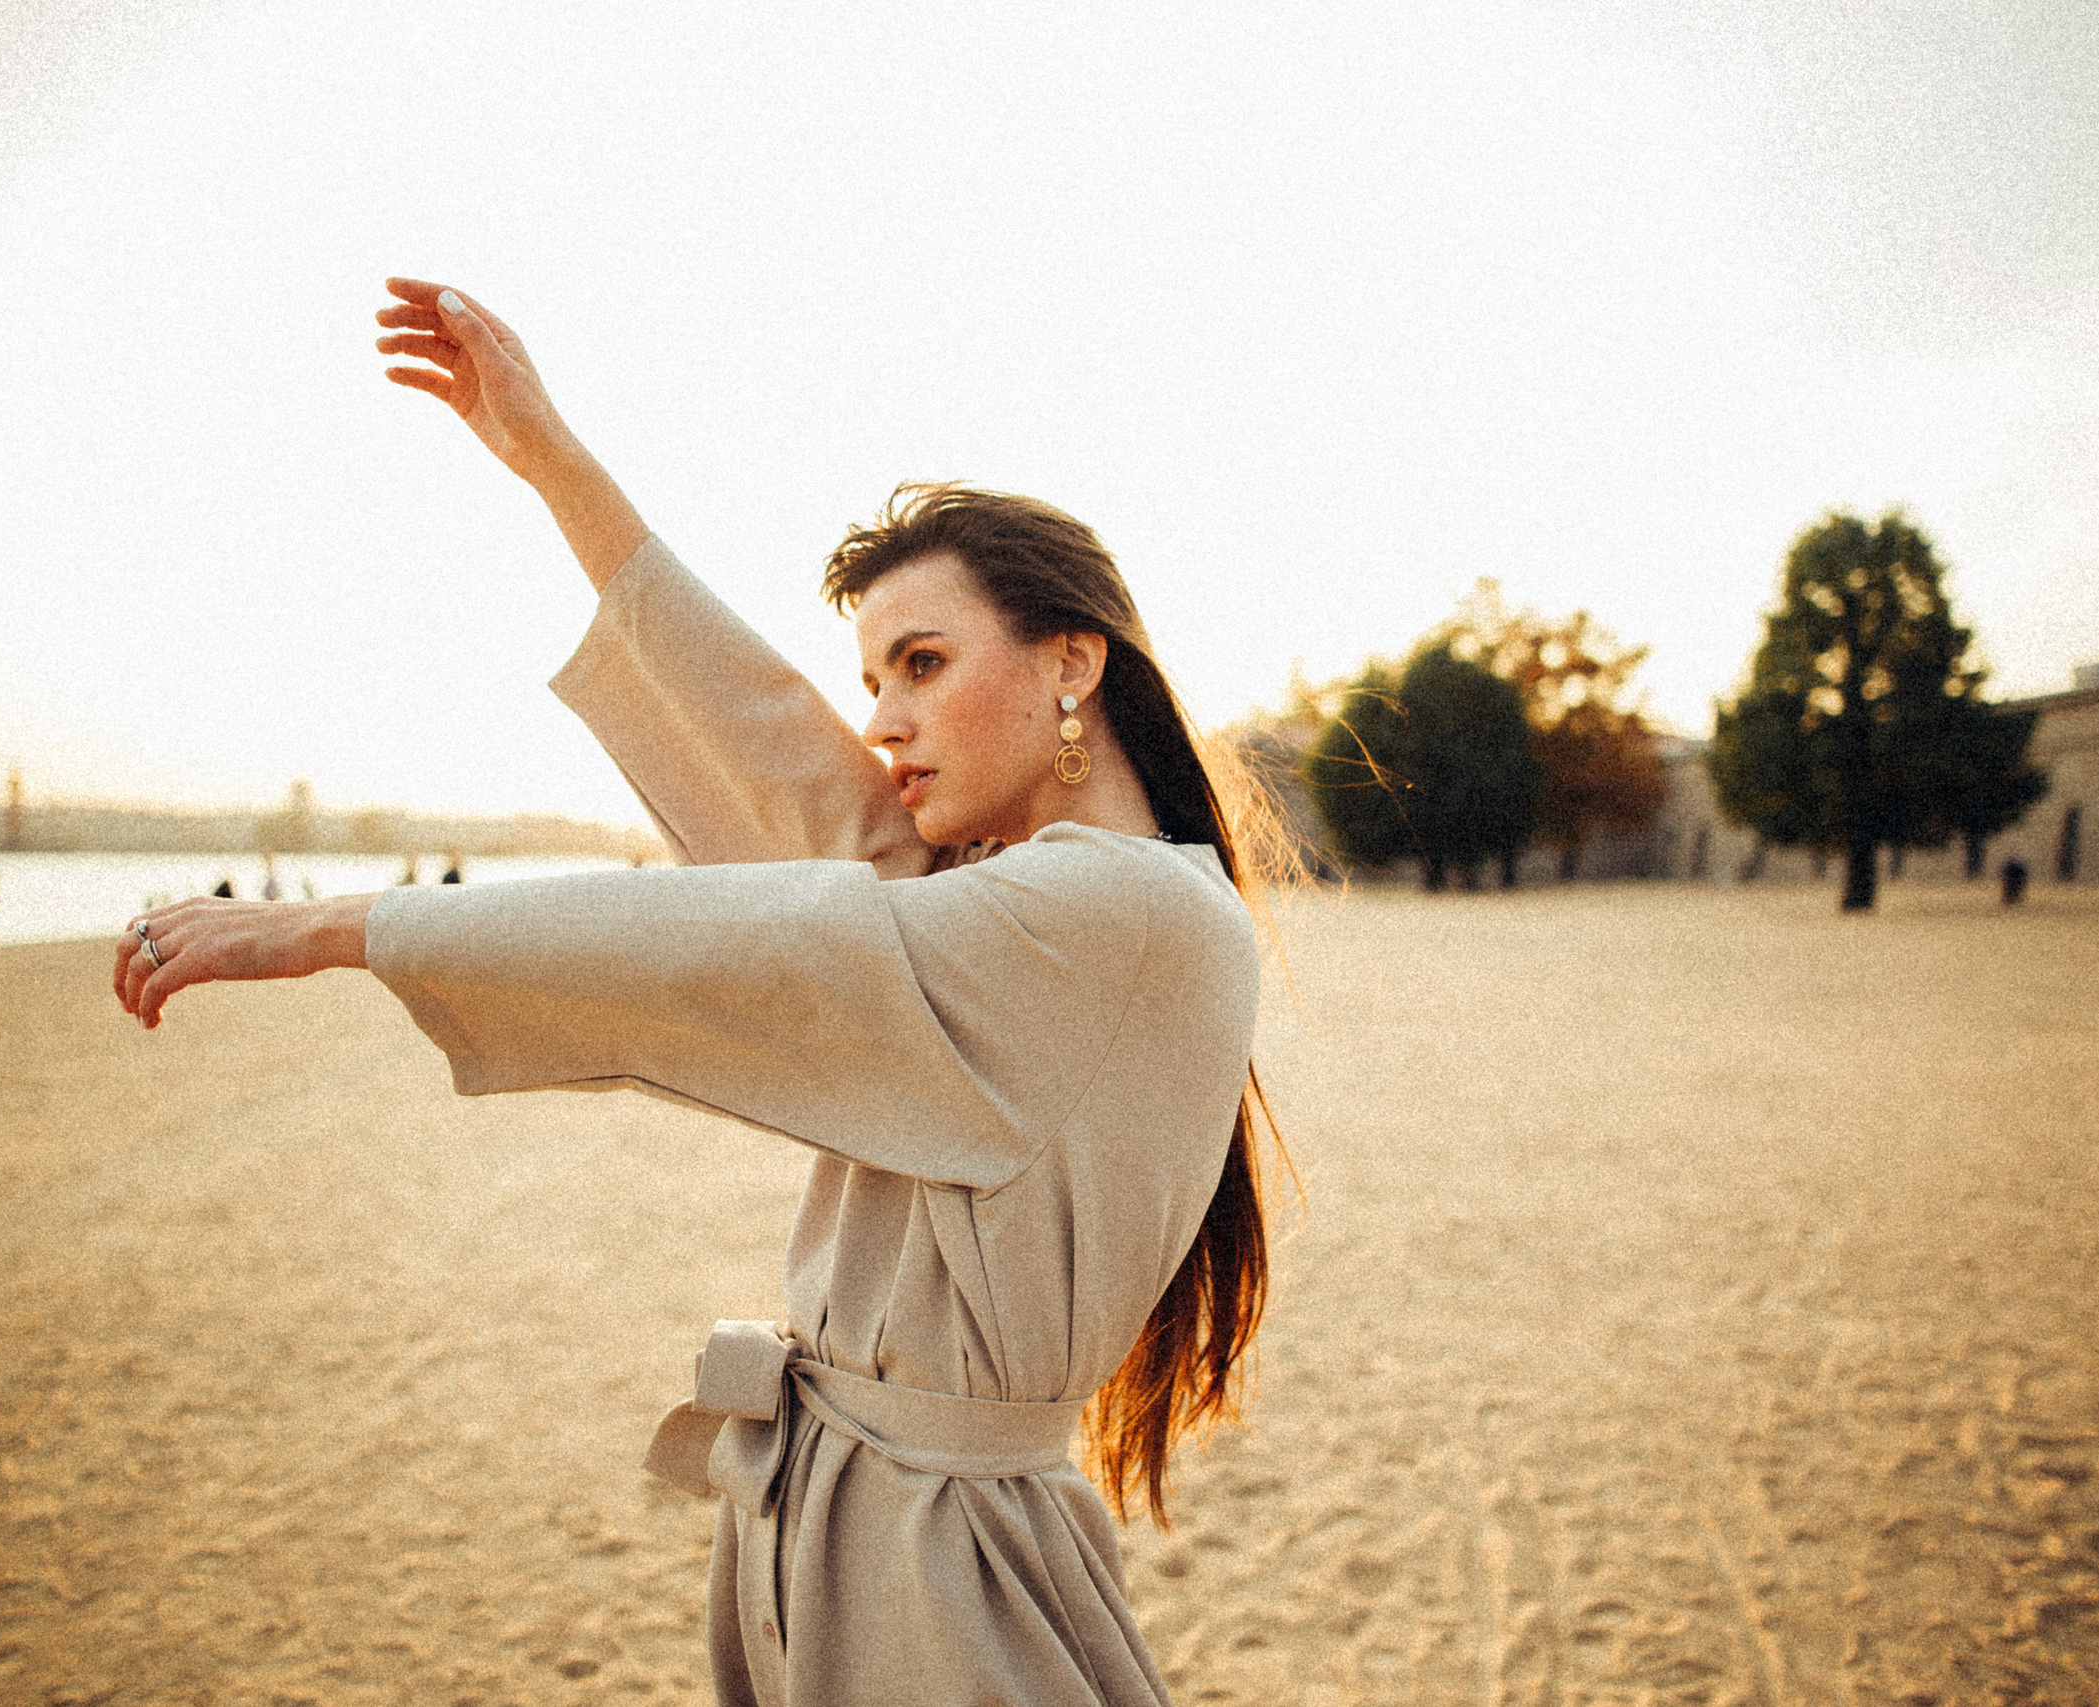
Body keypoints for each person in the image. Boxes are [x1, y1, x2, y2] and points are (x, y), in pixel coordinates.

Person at [111, 277, 1284, 1706]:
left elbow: (769, 935)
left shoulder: (1125, 908)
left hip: (942, 1561)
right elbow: (781, 765)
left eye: (922, 661)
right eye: (871, 674)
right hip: (845, 1514)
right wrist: (554, 463)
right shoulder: (1031, 907)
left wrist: (347, 923)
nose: (882, 718)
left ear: (1070, 660)